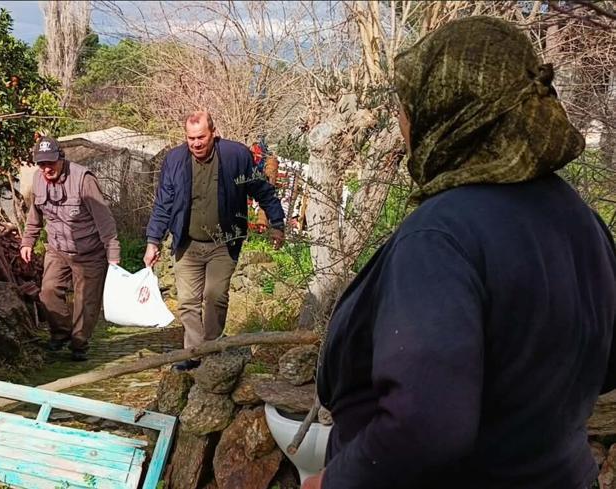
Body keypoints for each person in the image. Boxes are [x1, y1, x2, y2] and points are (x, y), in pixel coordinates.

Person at [307, 16, 616, 489]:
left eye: (408, 106)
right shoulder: (577, 216)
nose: (402, 121)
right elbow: (607, 366)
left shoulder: (438, 239)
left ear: (448, 109)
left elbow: (426, 425)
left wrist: (336, 482)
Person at [144, 111, 285, 371]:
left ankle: (210, 348)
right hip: (187, 243)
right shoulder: (174, 160)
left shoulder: (235, 156)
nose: (196, 143)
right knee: (187, 302)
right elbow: (163, 204)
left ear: (213, 133)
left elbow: (262, 190)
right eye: (190, 138)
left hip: (224, 242)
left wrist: (277, 223)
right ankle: (195, 353)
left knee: (215, 297)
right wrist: (153, 241)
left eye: (201, 137)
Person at [20, 136, 120, 362]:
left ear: (61, 159)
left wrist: (112, 254)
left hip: (90, 252)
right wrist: (28, 241)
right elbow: (34, 216)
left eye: (51, 163)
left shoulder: (84, 180)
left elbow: (105, 220)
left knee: (86, 302)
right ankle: (61, 333)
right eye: (42, 164)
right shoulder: (38, 180)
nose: (47, 168)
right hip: (57, 248)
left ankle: (79, 343)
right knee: (48, 292)